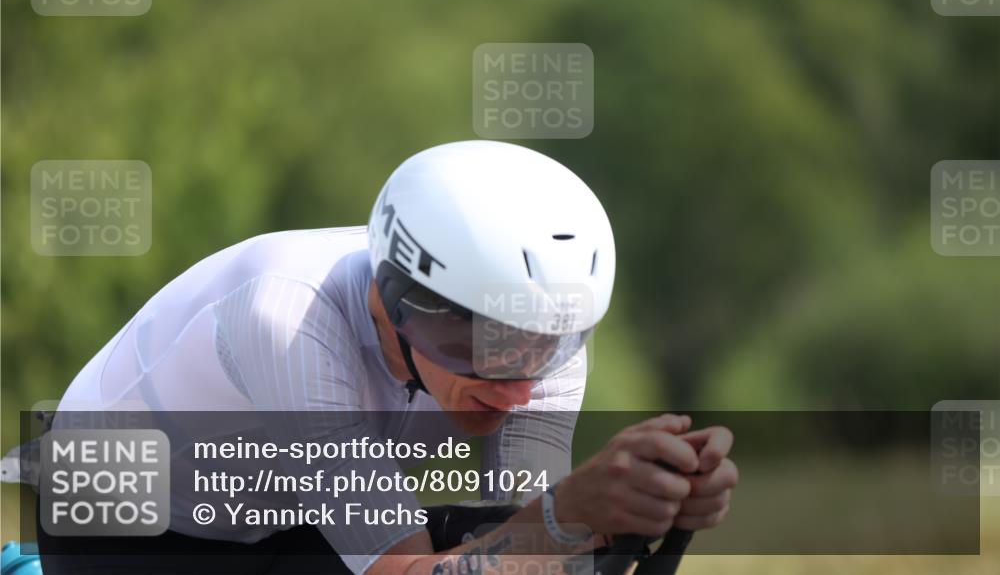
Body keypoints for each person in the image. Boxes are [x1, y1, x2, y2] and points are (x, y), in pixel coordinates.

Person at [41, 141, 737, 574]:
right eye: (478, 348)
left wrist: (636, 510)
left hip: (287, 519)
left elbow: (532, 538)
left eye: (545, 350)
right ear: (396, 300)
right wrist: (563, 514)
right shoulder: (286, 320)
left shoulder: (536, 342)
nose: (518, 389)